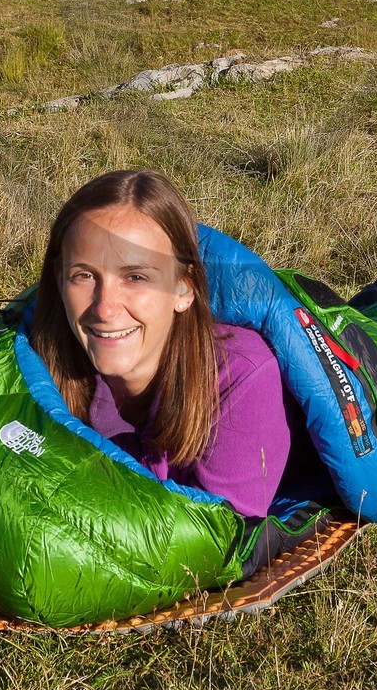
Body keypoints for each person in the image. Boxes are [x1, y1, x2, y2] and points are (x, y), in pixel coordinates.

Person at [30, 168, 315, 518]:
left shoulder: (242, 376)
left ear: (183, 289)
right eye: (84, 276)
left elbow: (213, 541)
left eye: (135, 277)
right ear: (59, 282)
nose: (104, 308)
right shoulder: (37, 359)